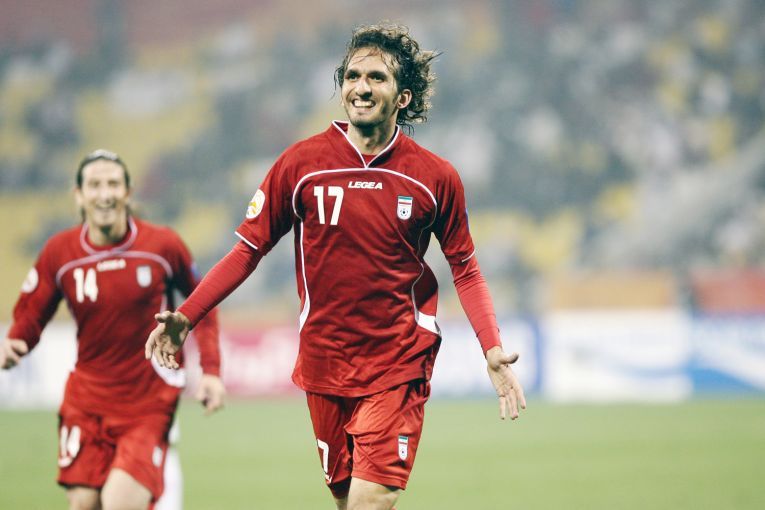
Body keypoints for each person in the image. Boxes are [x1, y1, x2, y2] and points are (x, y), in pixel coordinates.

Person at [145, 23, 526, 510]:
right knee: (348, 502)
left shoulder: (435, 177)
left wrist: (491, 347)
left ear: (403, 97)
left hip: (398, 362)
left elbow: (466, 270)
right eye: (352, 76)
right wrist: (186, 317)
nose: (360, 88)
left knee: (370, 503)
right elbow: (247, 251)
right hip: (324, 364)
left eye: (376, 78)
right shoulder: (301, 164)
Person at [1, 149, 225, 510]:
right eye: (95, 185)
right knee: (84, 504)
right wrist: (15, 342)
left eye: (113, 184)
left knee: (120, 503)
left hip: (147, 402)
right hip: (86, 401)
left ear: (128, 192)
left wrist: (211, 370)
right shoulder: (60, 252)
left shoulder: (162, 246)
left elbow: (205, 303)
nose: (104, 194)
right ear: (79, 195)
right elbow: (31, 313)